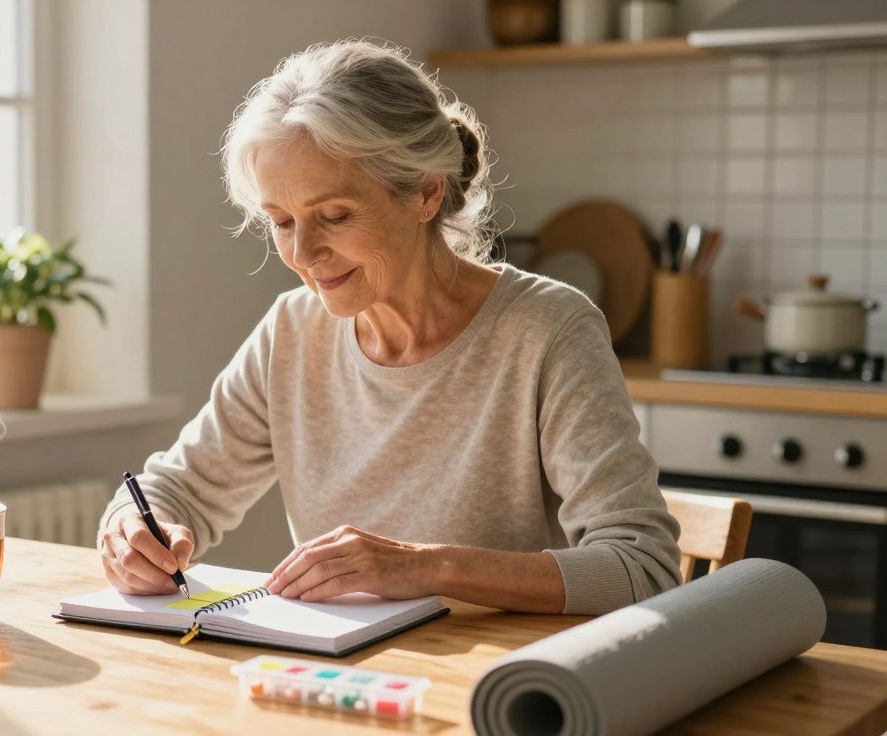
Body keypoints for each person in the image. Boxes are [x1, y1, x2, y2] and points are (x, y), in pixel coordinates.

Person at [96, 39, 681, 616]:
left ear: (425, 192)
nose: (304, 252)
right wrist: (130, 531)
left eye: (335, 216)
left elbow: (642, 568)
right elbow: (176, 490)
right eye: (280, 222)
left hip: (497, 691)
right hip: (341, 680)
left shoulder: (548, 330)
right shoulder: (291, 333)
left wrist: (421, 567)